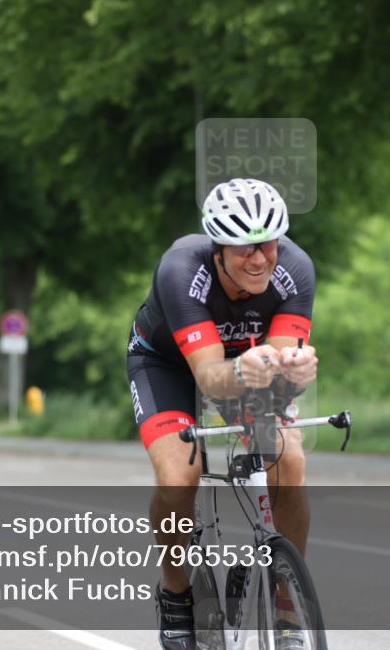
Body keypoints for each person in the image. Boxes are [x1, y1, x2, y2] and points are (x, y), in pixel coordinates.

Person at [127, 178, 318, 649]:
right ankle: (175, 593)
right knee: (179, 476)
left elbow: (281, 363)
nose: (259, 259)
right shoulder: (180, 270)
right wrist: (245, 369)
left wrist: (295, 371)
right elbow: (210, 377)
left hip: (248, 364)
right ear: (217, 250)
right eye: (243, 249)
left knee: (289, 460)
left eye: (267, 244)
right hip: (170, 365)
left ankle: (287, 606)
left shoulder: (296, 269)